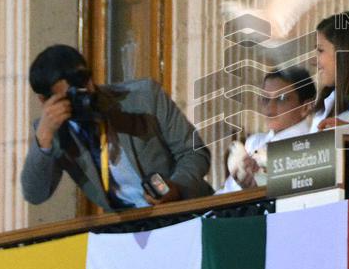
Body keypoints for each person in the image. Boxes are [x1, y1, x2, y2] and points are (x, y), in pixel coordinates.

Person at [21, 45, 213, 210]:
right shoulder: (53, 131)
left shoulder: (143, 97)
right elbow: (35, 195)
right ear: (45, 100)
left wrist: (176, 187)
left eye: (86, 83)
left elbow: (194, 152)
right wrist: (44, 138)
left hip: (185, 210)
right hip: (128, 231)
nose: (84, 96)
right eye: (70, 96)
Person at [219, 67, 316, 193]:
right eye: (265, 99)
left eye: (281, 99)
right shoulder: (254, 142)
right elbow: (225, 194)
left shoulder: (313, 146)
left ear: (306, 107)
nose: (270, 107)